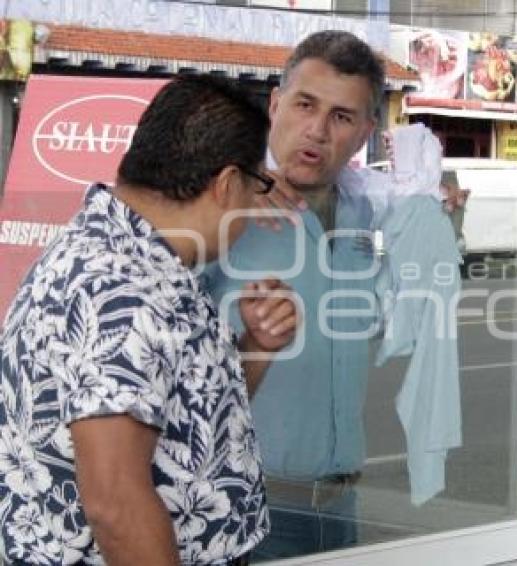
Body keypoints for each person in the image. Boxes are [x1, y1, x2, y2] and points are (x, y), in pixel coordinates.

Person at [0, 75, 299, 565]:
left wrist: (257, 346)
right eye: (257, 185)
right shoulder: (122, 289)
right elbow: (115, 502)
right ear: (226, 184)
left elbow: (184, 423)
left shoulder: (132, 257)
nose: (253, 203)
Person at [204, 30, 466, 559]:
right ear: (276, 104)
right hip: (246, 510)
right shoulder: (218, 204)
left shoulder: (369, 214)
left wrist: (440, 227)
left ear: (367, 129)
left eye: (342, 116)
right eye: (305, 104)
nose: (318, 131)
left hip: (342, 509)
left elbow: (401, 315)